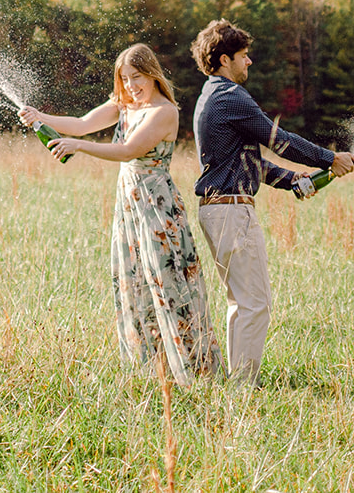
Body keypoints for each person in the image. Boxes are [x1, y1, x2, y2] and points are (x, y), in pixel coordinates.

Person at [18, 44, 222, 385]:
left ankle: (195, 372)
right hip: (129, 205)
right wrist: (41, 117)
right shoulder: (124, 104)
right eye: (125, 79)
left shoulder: (164, 112)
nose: (130, 86)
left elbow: (128, 150)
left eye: (136, 77)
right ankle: (152, 370)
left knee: (167, 281)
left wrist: (79, 147)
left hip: (156, 205)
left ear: (152, 74)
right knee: (135, 281)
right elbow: (82, 124)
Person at [190, 18, 354, 386]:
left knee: (241, 303)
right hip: (232, 210)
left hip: (219, 209)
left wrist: (291, 180)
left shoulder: (210, 96)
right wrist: (330, 159)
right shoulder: (230, 96)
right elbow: (278, 139)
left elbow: (248, 161)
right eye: (243, 55)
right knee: (256, 304)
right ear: (223, 59)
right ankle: (244, 388)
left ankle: (238, 383)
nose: (249, 61)